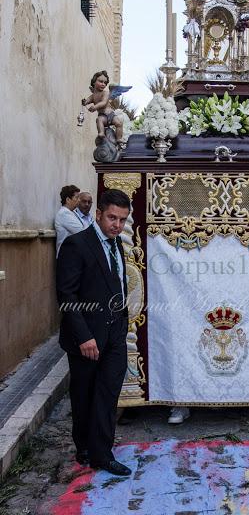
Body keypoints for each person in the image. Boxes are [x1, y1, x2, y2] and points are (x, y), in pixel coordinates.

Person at [56, 189, 131, 476]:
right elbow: (67, 295)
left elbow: (117, 284)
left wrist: (122, 322)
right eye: (112, 217)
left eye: (122, 220)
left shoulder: (116, 244)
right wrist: (84, 336)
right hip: (86, 336)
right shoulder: (77, 245)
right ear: (98, 214)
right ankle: (85, 446)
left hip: (114, 334)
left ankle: (102, 453)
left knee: (107, 393)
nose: (117, 225)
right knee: (84, 394)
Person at [82, 71, 124, 147]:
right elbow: (88, 100)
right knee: (99, 120)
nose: (103, 84)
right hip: (102, 116)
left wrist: (95, 107)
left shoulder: (106, 93)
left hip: (111, 115)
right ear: (94, 82)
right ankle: (101, 133)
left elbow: (104, 103)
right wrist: (85, 102)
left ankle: (119, 138)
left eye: (105, 83)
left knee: (119, 124)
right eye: (101, 81)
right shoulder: (93, 96)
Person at [54, 185, 83, 256]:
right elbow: (82, 231)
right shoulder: (64, 214)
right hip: (67, 256)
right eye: (76, 197)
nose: (79, 200)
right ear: (68, 200)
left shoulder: (73, 212)